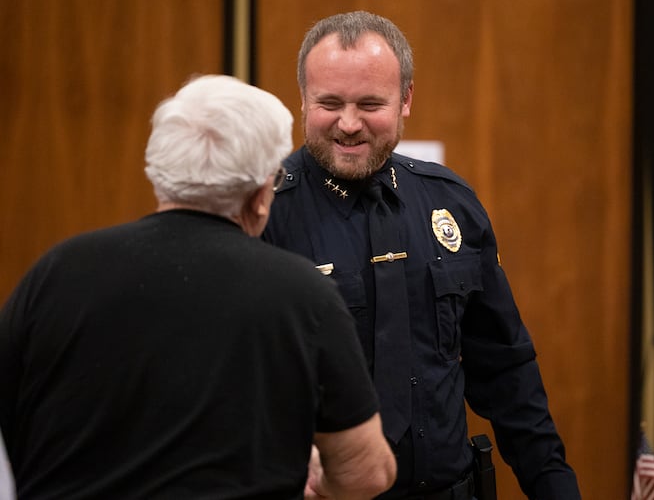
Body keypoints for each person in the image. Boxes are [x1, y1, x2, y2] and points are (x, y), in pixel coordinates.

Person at [0, 74, 396, 500]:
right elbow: (365, 471)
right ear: (261, 194)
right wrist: (315, 479)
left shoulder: (56, 272)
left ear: (159, 172)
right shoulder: (300, 292)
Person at [264, 11, 581, 499]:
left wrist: (555, 488)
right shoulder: (262, 214)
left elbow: (505, 371)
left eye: (370, 103)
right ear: (303, 98)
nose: (349, 124)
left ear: (406, 99)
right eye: (329, 103)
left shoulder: (450, 201)